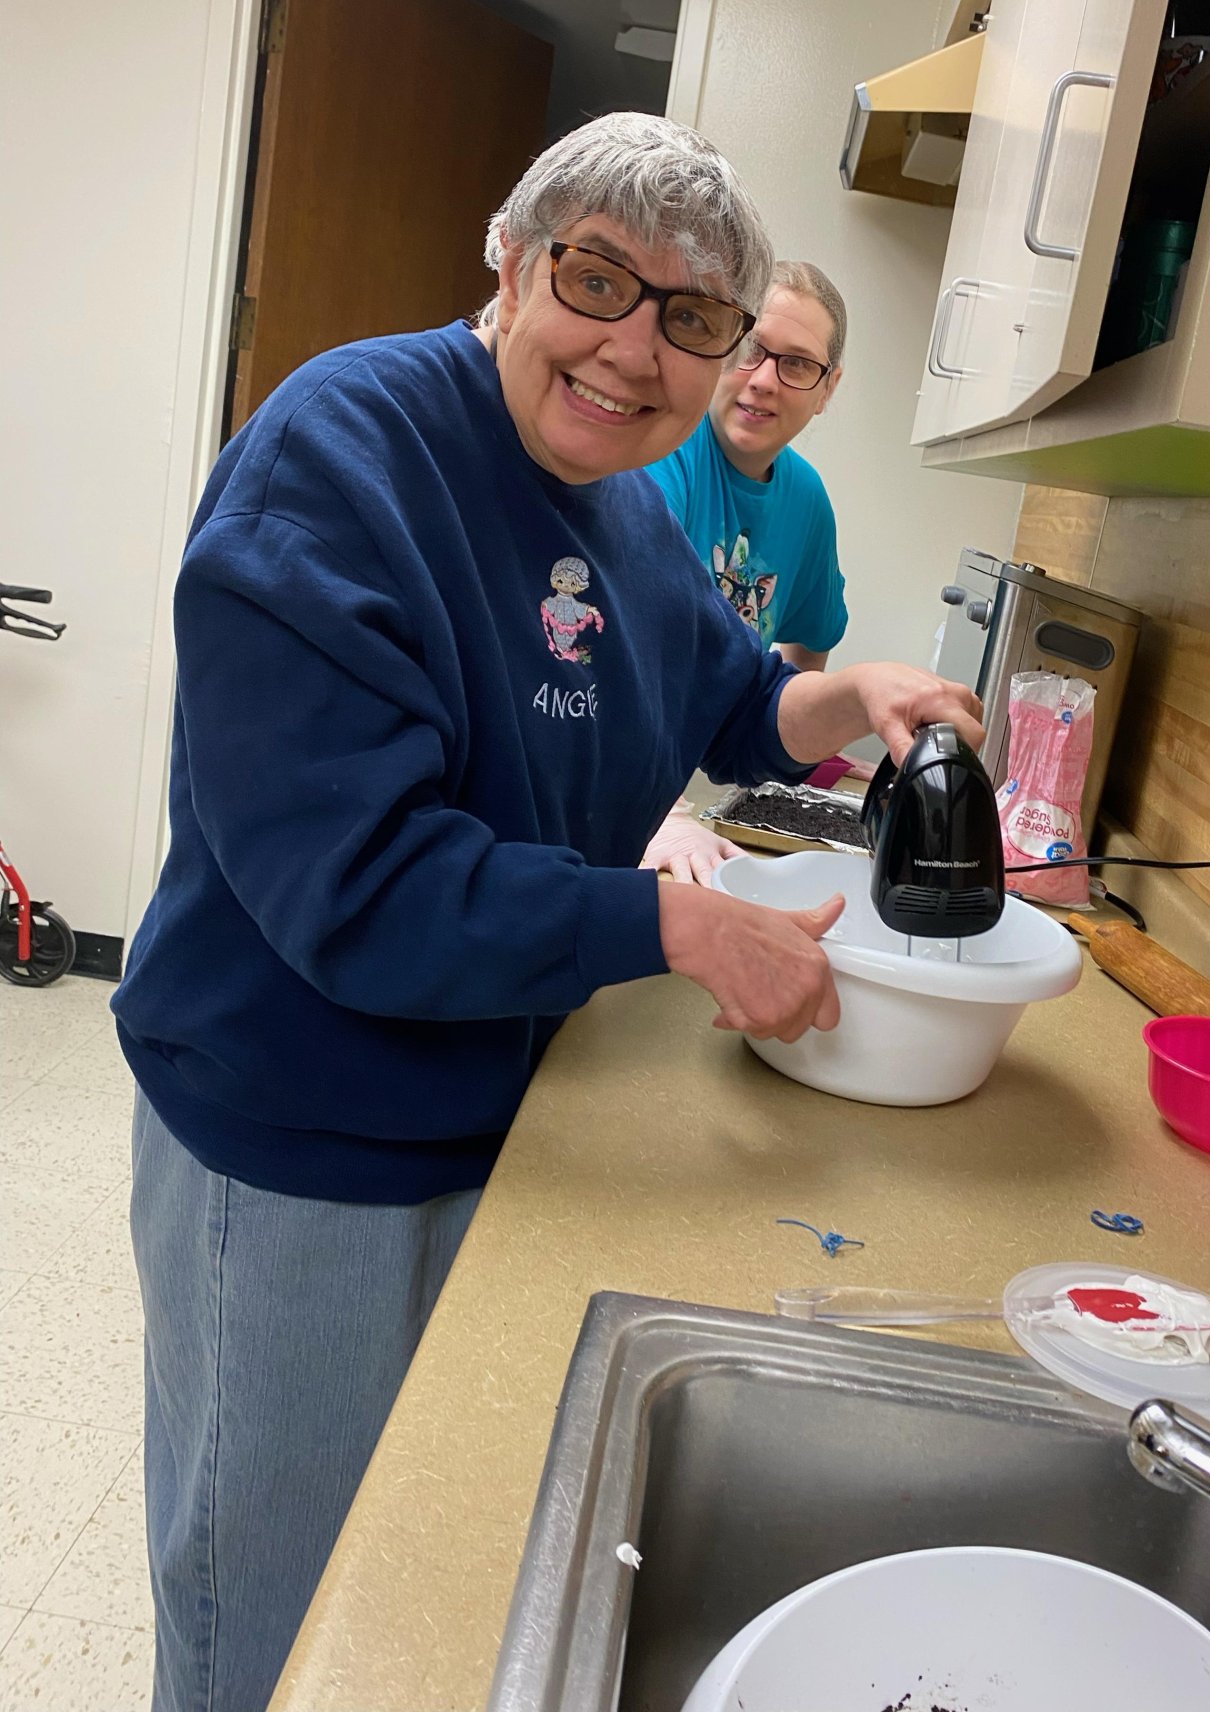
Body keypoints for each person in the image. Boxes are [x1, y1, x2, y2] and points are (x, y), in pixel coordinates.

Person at [112, 111, 983, 1712]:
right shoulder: (339, 458)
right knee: (270, 1618)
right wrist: (673, 926)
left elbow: (728, 697)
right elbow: (356, 886)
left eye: (692, 318)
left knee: (398, 1599)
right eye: (597, 279)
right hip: (302, 1143)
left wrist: (850, 692)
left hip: (489, 1111)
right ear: (509, 264)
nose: (634, 350)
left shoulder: (627, 505)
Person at [641, 260, 852, 882]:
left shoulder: (807, 501)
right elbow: (627, 652)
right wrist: (664, 813)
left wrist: (800, 744)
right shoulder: (659, 451)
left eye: (797, 364)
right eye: (752, 349)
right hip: (623, 776)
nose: (763, 381)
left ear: (827, 390)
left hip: (699, 777)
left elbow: (810, 644)